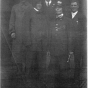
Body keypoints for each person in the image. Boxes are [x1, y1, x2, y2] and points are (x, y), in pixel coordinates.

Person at [9, 0, 33, 74]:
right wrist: (12, 31)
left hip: (28, 34)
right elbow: (12, 20)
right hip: (18, 34)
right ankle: (18, 70)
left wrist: (32, 33)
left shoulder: (31, 7)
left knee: (27, 52)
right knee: (17, 52)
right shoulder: (15, 7)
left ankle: (27, 70)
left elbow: (33, 21)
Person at [67, 0, 86, 83]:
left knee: (77, 61)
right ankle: (66, 78)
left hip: (77, 43)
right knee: (66, 60)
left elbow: (84, 31)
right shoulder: (67, 15)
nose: (73, 7)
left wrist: (79, 41)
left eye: (75, 5)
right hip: (67, 42)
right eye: (72, 5)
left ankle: (76, 78)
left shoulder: (82, 16)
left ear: (78, 6)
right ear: (70, 6)